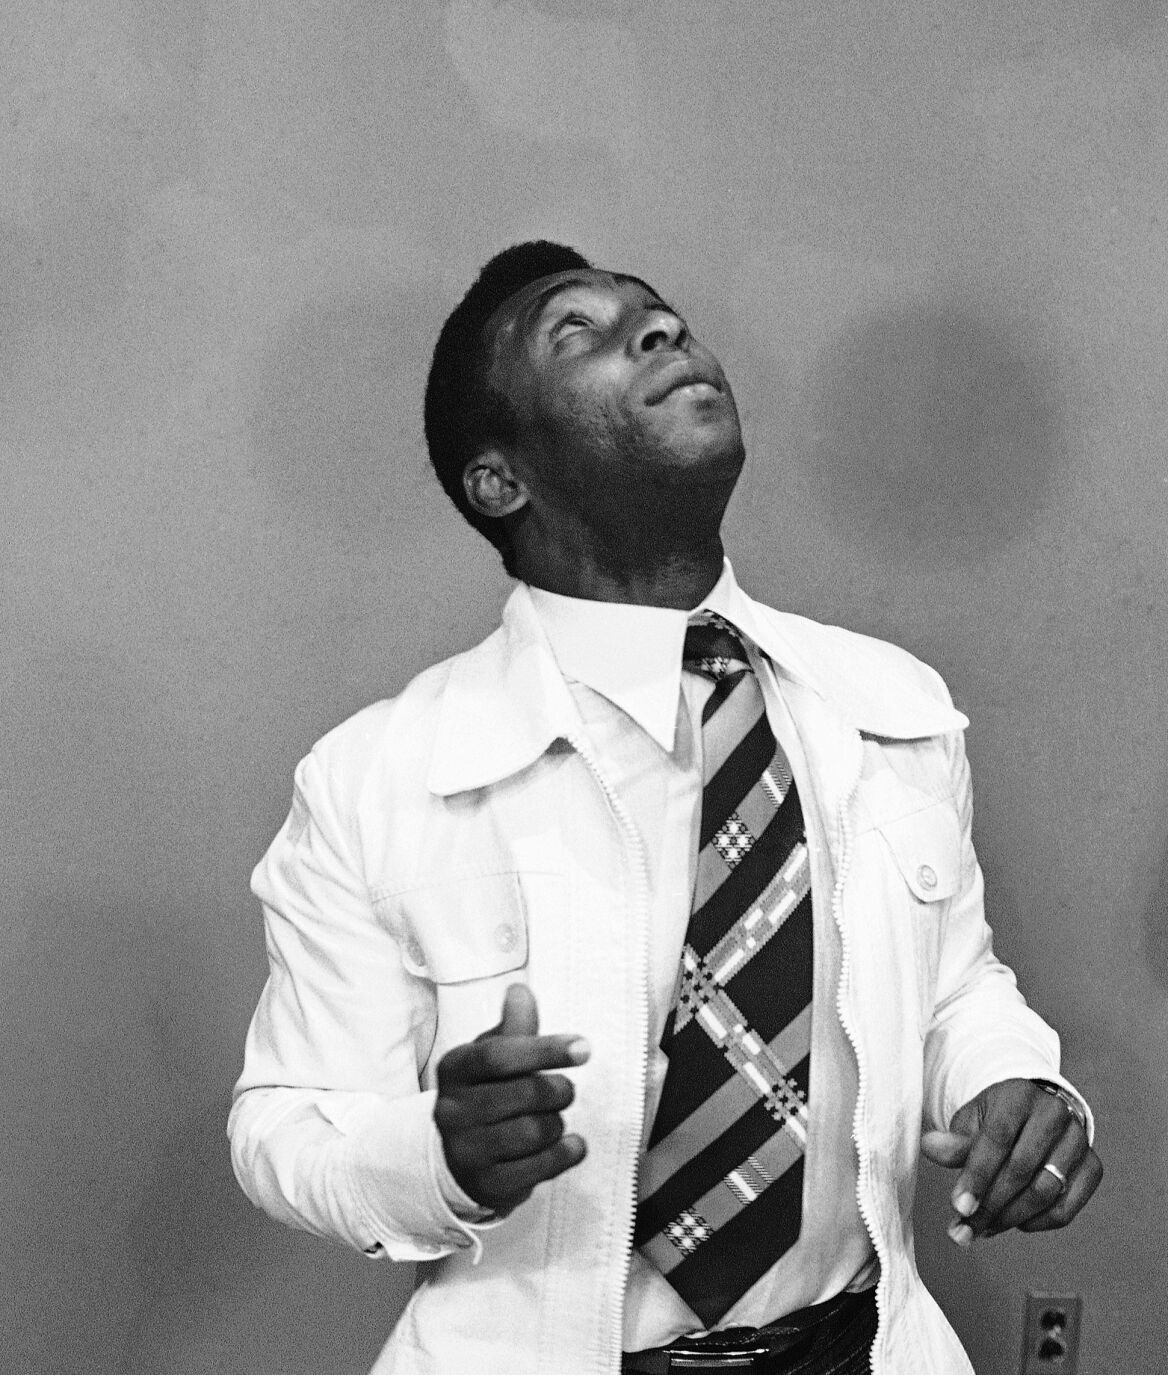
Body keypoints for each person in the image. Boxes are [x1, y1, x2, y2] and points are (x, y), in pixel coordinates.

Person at [229, 241, 1102, 1375]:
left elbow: (956, 984)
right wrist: (438, 1156)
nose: (658, 331)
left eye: (660, 315)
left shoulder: (891, 704)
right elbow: (281, 1125)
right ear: (502, 478)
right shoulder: (374, 775)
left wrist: (1010, 1077)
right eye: (578, 333)